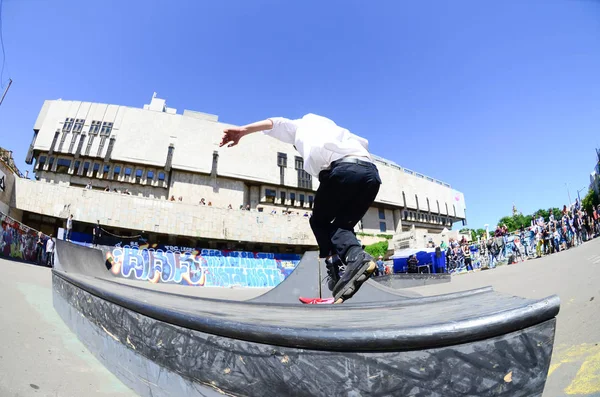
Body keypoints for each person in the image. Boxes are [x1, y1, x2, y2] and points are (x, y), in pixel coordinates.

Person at [220, 114, 381, 303]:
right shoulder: (338, 130)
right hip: (371, 175)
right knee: (341, 228)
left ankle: (336, 269)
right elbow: (365, 143)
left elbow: (275, 122)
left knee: (318, 221)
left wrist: (242, 131)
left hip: (343, 171)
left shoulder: (299, 126)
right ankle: (358, 258)